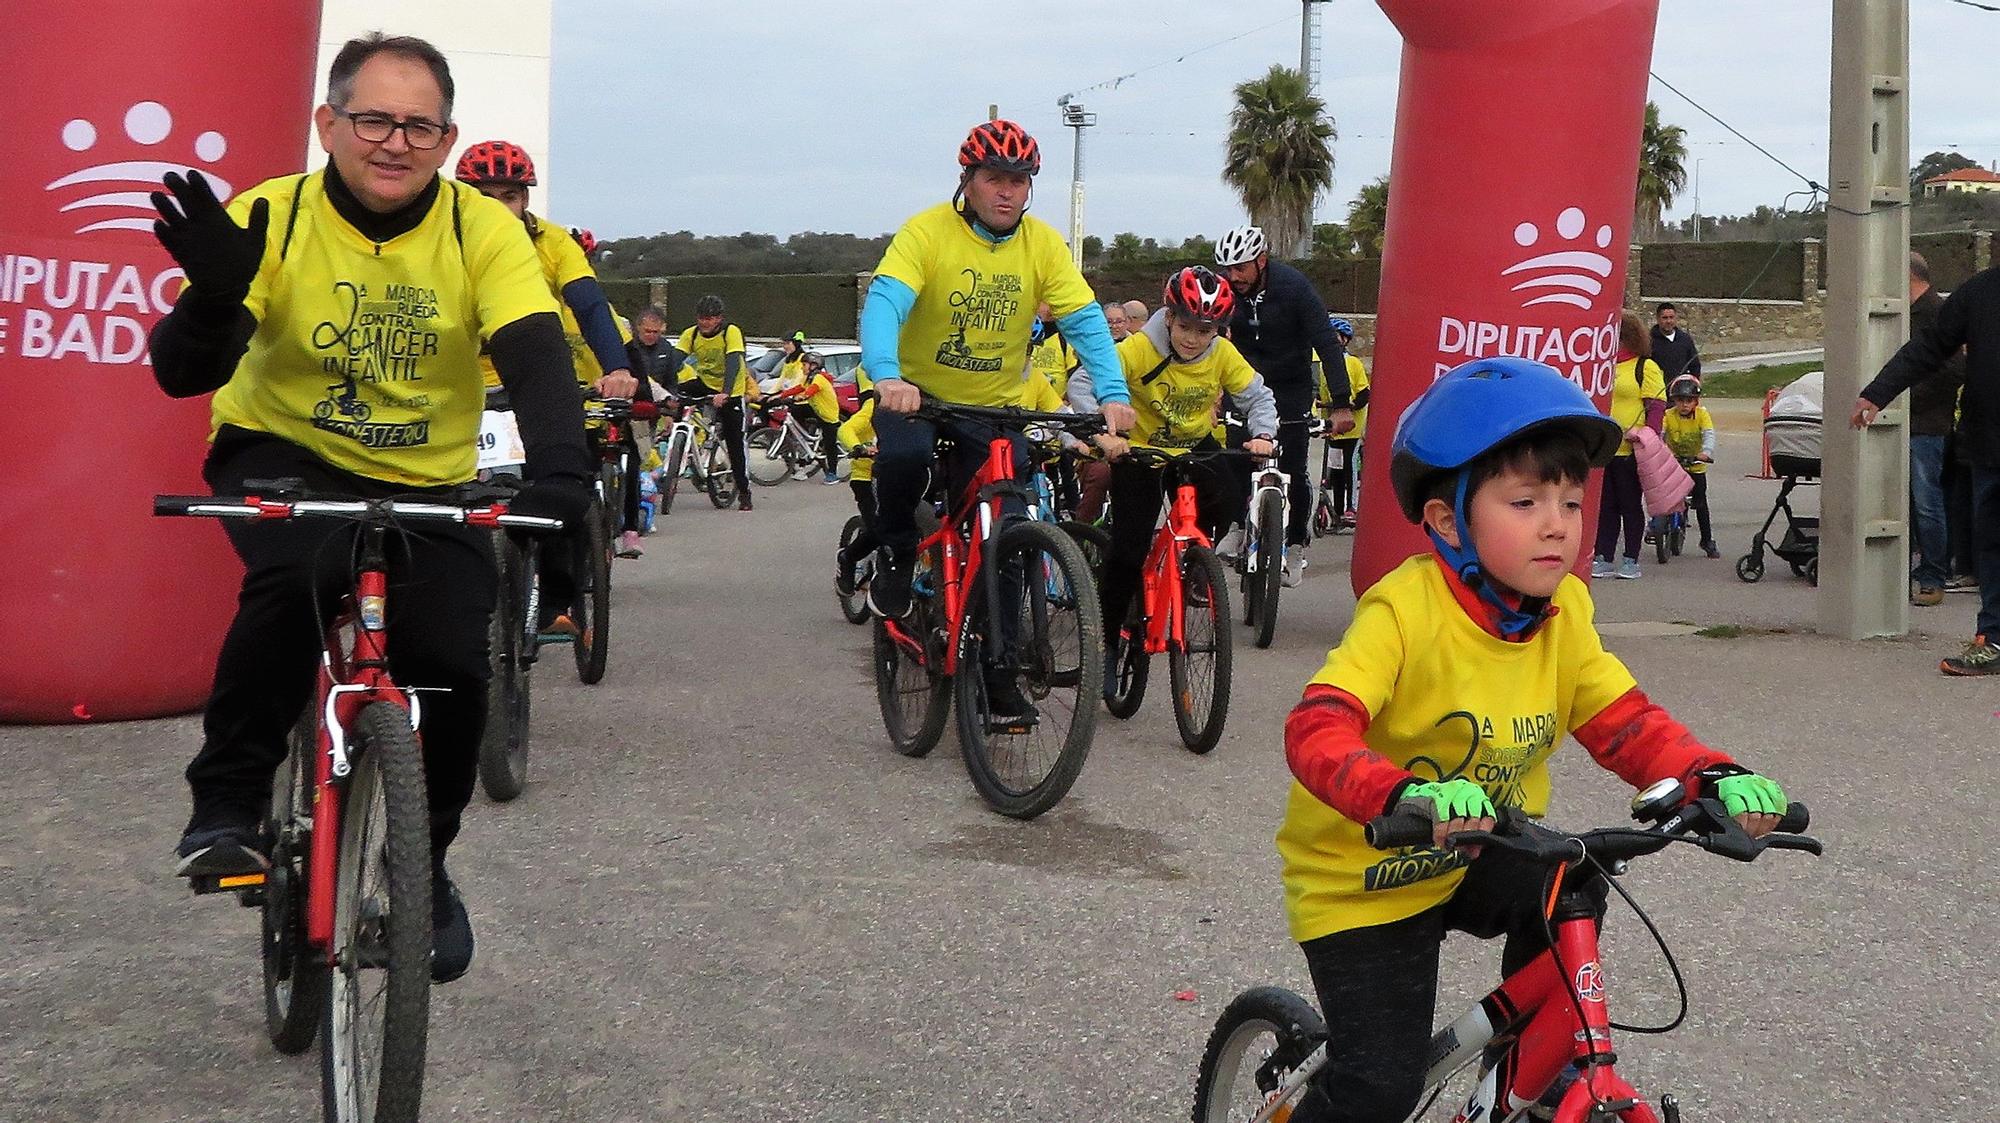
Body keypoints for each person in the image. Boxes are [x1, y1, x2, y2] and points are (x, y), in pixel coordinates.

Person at [147, 32, 592, 983]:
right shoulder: (273, 211)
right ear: (328, 124)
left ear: (447, 137)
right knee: (303, 571)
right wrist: (214, 302)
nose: (395, 142)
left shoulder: (484, 229)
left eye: (419, 126)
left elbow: (534, 352)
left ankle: (422, 866)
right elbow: (183, 373)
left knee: (449, 664)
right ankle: (227, 800)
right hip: (282, 449)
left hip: (424, 476)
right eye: (374, 119)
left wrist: (564, 470)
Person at [1276, 356, 1792, 1123]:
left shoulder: (1565, 613)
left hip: (1486, 845)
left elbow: (1626, 723)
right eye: (1524, 501)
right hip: (1370, 873)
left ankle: (1528, 1076)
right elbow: (1316, 727)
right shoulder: (1404, 611)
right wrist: (1402, 792)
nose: (1557, 522)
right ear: (1448, 519)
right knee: (1379, 1088)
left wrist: (1711, 773)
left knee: (1577, 872)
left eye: (1571, 500)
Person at [858, 119, 1135, 720]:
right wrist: (886, 374)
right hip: (920, 396)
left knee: (1006, 537)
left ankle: (998, 674)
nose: (1006, 191)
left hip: (994, 407)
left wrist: (1112, 393)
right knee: (902, 460)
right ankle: (898, 554)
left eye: (1018, 180)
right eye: (993, 178)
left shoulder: (1042, 244)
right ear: (969, 181)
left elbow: (1085, 319)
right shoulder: (927, 232)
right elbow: (885, 301)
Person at [1071, 267, 1276, 687]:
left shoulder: (1221, 354)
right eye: (1185, 326)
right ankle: (1107, 645)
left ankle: (1195, 560)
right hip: (1141, 449)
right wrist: (1103, 429)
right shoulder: (1138, 348)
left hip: (1193, 444)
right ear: (1168, 316)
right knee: (1128, 551)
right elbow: (1084, 381)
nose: (1192, 339)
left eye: (1206, 330)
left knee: (1232, 496)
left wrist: (1263, 434)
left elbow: (1258, 395)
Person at [456, 140, 645, 560]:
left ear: (525, 199)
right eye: (485, 198)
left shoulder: (554, 242)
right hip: (462, 384)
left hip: (534, 377)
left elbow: (591, 305)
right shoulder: (442, 239)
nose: (498, 208)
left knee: (559, 482)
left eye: (509, 196)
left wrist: (617, 367)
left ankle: (557, 605)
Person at [1852, 262, 2000, 676]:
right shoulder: (1979, 293)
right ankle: (1994, 641)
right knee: (1992, 547)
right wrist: (1877, 394)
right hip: (1990, 446)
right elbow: (1929, 347)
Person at [1212, 224, 1353, 587]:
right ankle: (1238, 525)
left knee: (1292, 466)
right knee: (1235, 456)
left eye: (1241, 267)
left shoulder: (1293, 288)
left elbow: (1326, 342)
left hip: (1290, 385)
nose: (1234, 276)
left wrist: (1341, 404)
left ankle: (1294, 543)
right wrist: (1210, 394)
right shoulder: (1226, 290)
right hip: (1243, 384)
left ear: (1261, 261)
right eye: (1229, 268)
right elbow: (1209, 340)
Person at [1856, 254, 1965, 606]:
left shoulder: (1935, 312)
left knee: (1926, 502)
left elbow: (1952, 370)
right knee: (1901, 500)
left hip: (1927, 424)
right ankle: (1906, 570)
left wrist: (1904, 395)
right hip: (1904, 420)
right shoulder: (1906, 313)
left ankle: (1934, 576)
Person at [1591, 311, 1666, 580]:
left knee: (1630, 505)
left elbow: (1656, 406)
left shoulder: (1645, 367)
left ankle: (1631, 558)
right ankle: (1603, 555)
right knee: (1606, 506)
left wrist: (1647, 435)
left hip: (1631, 450)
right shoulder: (1604, 365)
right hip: (1605, 449)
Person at [677, 293, 755, 511]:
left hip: (731, 390)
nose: (705, 323)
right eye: (701, 318)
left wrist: (726, 392)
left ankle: (744, 492)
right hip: (705, 384)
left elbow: (733, 363)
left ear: (719, 319)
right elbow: (675, 359)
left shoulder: (731, 332)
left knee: (735, 443)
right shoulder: (691, 334)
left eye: (710, 318)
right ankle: (677, 447)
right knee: (673, 396)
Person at [1661, 374, 1720, 557]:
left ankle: (1707, 540)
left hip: (1696, 465)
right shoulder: (1668, 415)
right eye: (1680, 400)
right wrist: (1663, 449)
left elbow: (1708, 434)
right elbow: (1660, 434)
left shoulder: (1702, 414)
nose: (1684, 404)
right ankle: (1658, 526)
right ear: (1674, 401)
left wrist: (1706, 452)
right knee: (1664, 497)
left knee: (1700, 503)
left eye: (1689, 400)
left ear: (1696, 401)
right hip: (1675, 463)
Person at [1321, 317, 1370, 529]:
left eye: (1336, 336)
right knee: (1336, 471)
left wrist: (1348, 407)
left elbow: (1364, 394)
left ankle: (1352, 508)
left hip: (1351, 429)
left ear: (1344, 339)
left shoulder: (1353, 363)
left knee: (1350, 470)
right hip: (1331, 429)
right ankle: (1338, 512)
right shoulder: (1324, 363)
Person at [773, 350, 843, 483]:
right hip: (817, 411)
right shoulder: (809, 378)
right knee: (796, 410)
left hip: (828, 416)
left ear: (813, 366)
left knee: (830, 445)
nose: (801, 367)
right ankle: (805, 436)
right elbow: (799, 388)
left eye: (804, 365)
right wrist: (780, 396)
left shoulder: (819, 379)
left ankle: (832, 473)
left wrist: (799, 398)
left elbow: (809, 392)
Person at [1649, 301, 1702, 382]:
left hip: (1681, 390)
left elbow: (1695, 365)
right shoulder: (1649, 341)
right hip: (1658, 389)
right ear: (1658, 319)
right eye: (1665, 318)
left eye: (1671, 317)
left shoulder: (1685, 339)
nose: (1669, 321)